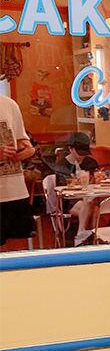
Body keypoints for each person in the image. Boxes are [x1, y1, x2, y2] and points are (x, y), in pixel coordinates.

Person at [0, 93, 37, 246]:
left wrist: (28, 150)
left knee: (17, 246)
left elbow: (22, 140)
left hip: (14, 190)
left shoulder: (9, 104)